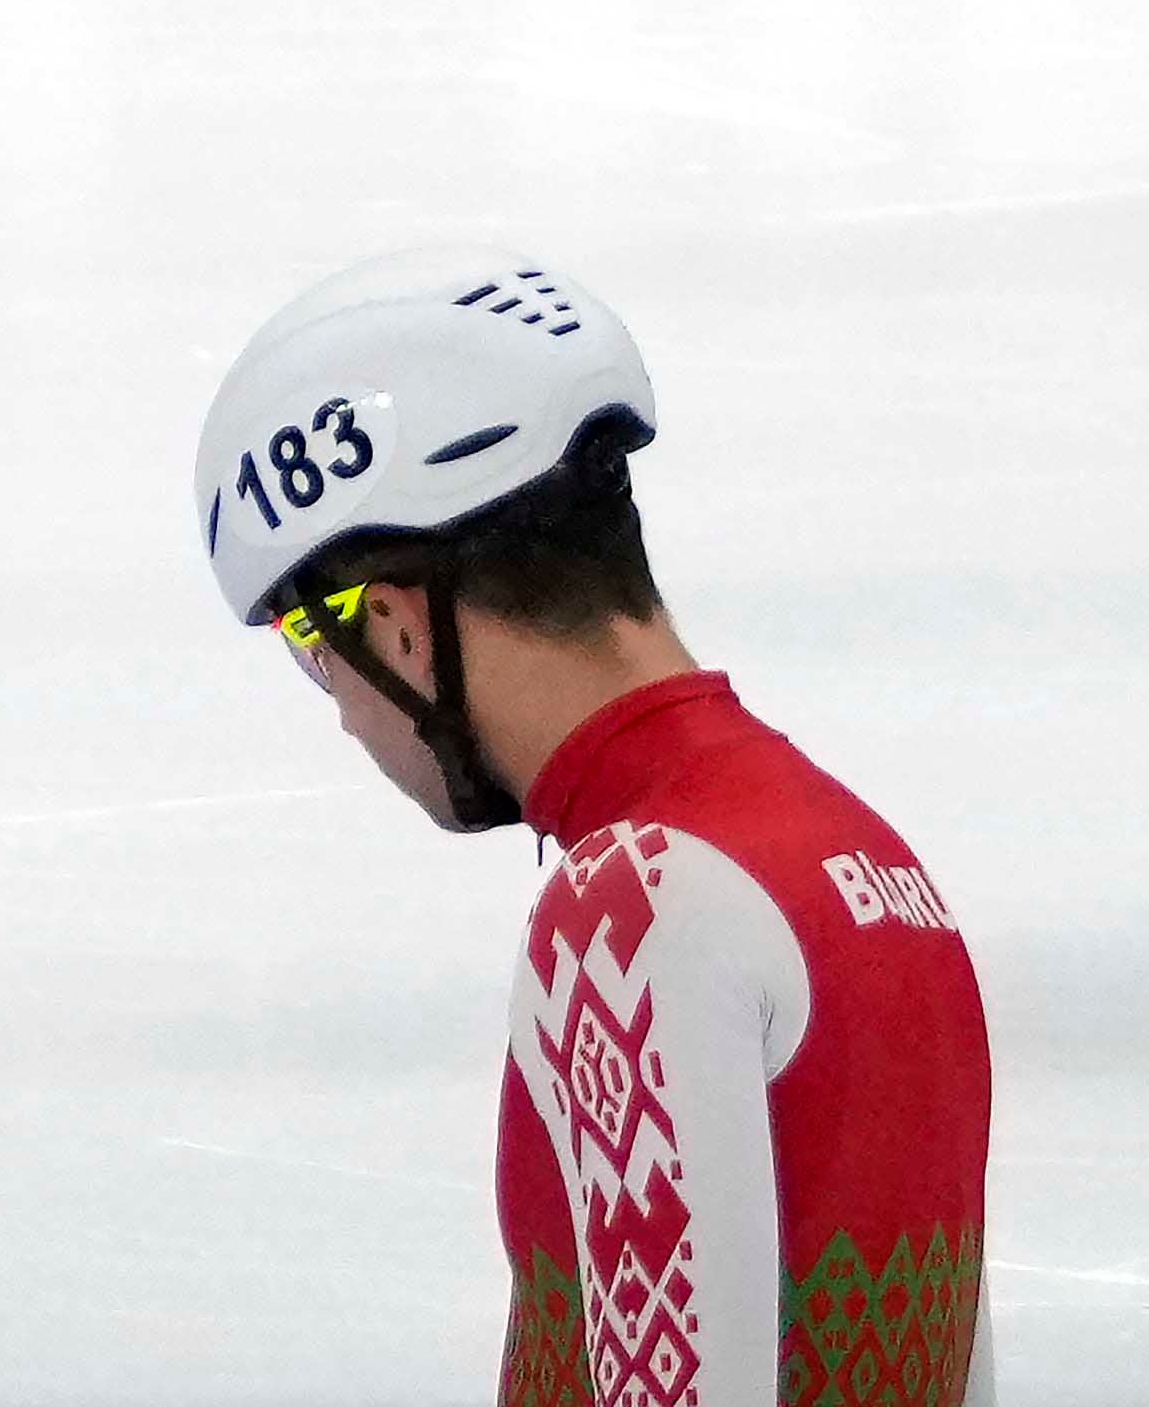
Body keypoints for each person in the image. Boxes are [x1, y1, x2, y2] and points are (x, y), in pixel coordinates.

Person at [201, 250, 993, 1407]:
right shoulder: (872, 863)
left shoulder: (638, 902)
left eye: (321, 663)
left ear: (398, 627)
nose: (349, 725)